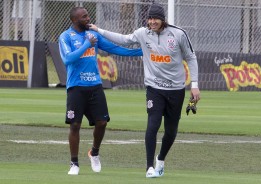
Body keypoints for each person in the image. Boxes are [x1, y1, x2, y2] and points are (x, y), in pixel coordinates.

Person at [89, 3, 200, 178]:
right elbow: (123, 39)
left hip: (176, 89)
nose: (152, 22)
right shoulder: (143, 33)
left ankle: (160, 160)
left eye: (155, 18)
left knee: (171, 131)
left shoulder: (178, 34)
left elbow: (191, 57)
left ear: (162, 19)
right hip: (154, 88)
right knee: (153, 124)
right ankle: (149, 167)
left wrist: (194, 84)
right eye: (149, 18)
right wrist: (99, 30)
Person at [58, 7, 142, 175]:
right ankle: (74, 163)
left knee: (102, 122)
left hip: (95, 85)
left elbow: (114, 48)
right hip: (76, 87)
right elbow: (68, 59)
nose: (88, 18)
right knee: (75, 125)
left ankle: (94, 153)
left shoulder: (94, 34)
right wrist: (86, 45)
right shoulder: (66, 36)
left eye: (88, 15)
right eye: (84, 16)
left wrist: (141, 51)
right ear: (74, 20)